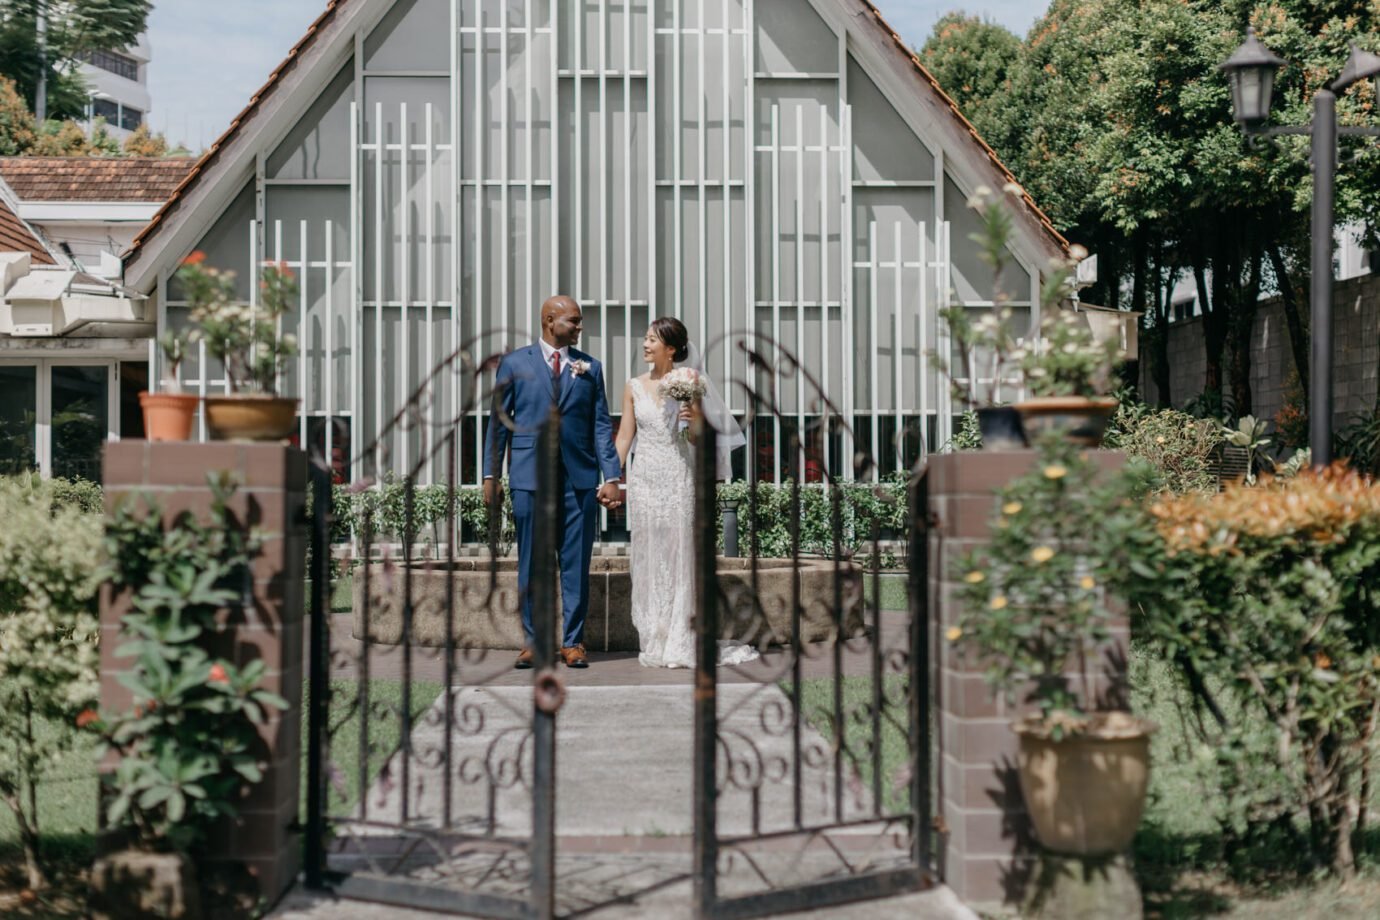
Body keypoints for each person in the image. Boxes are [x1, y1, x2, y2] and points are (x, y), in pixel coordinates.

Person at [483, 296, 623, 669]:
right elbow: (498, 423)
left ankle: (573, 642)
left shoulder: (590, 367)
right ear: (549, 320)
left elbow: (600, 425)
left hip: (578, 479)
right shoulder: (514, 364)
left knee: (575, 563)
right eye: (574, 321)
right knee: (532, 562)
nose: (580, 328)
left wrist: (612, 476)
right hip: (529, 477)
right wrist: (490, 473)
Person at [615, 317, 758, 669]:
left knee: (681, 556)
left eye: (652, 340)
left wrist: (690, 414)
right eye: (645, 339)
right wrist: (612, 477)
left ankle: (680, 634)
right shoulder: (632, 386)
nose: (646, 345)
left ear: (672, 348)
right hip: (646, 477)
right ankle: (653, 633)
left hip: (679, 475)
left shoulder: (690, 382)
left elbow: (696, 439)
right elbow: (624, 437)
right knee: (649, 554)